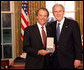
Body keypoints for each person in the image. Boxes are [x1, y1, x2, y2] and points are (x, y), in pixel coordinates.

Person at [48, 4, 82, 69]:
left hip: (69, 60)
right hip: (54, 61)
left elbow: (78, 43)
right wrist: (50, 50)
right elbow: (50, 41)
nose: (58, 13)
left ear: (63, 12)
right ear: (53, 13)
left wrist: (78, 58)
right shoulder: (51, 25)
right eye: (55, 11)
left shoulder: (73, 24)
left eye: (60, 11)